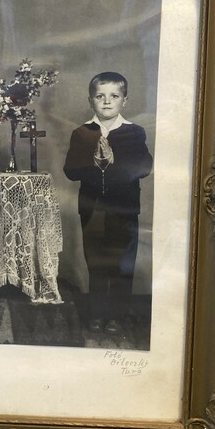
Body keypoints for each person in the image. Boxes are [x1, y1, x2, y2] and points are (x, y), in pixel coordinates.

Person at [63, 71, 153, 335]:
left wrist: (117, 164)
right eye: (100, 96)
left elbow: (145, 166)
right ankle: (97, 315)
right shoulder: (82, 133)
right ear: (91, 100)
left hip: (124, 209)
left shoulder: (134, 133)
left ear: (124, 100)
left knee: (123, 264)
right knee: (96, 262)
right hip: (93, 210)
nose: (107, 101)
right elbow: (70, 170)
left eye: (114, 96)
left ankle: (117, 315)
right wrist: (95, 164)